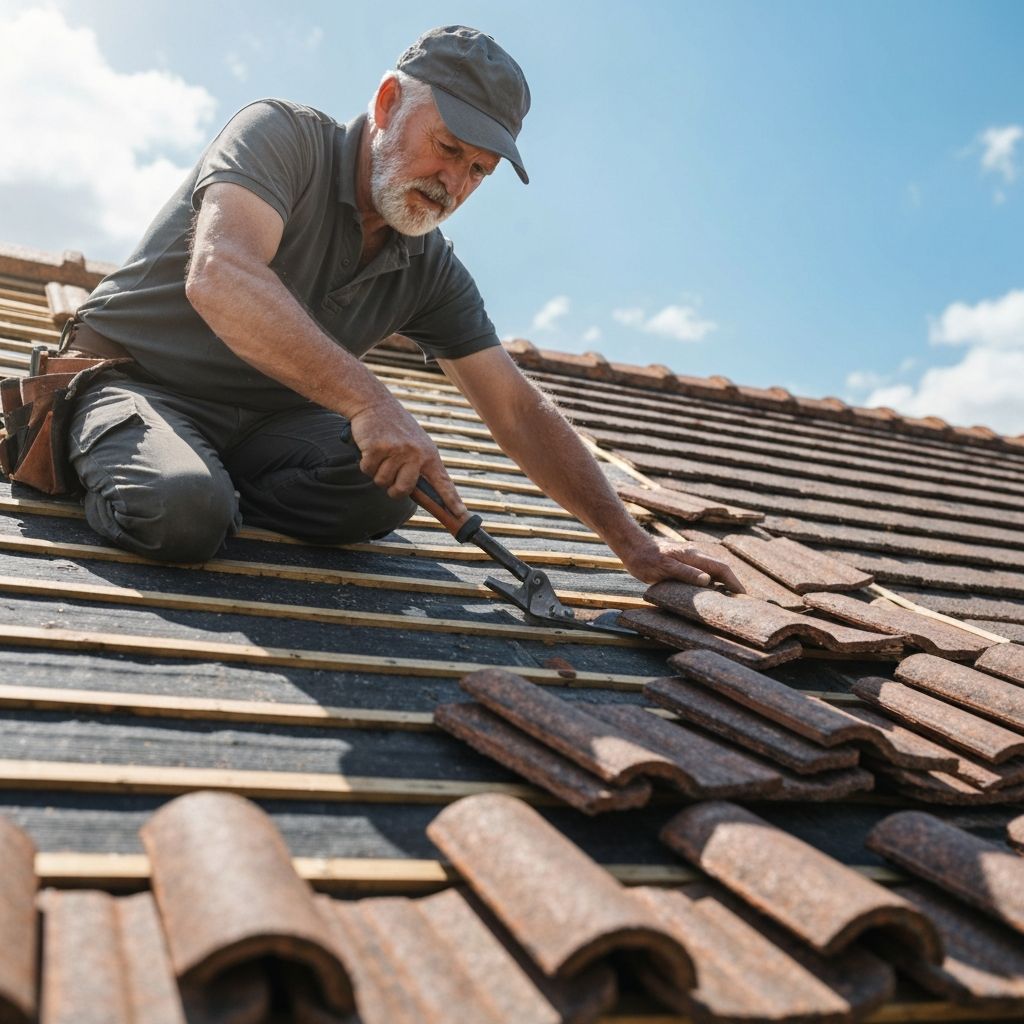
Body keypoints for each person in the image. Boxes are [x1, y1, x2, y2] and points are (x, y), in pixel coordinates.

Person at [62, 25, 741, 592]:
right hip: (137, 382)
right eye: (447, 148)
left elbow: (516, 409)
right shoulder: (283, 138)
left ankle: (206, 477)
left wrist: (633, 547)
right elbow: (221, 274)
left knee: (388, 488)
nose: (452, 184)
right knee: (182, 514)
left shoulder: (429, 267)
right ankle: (134, 461)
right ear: (388, 103)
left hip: (265, 429)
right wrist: (370, 402)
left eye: (478, 172)